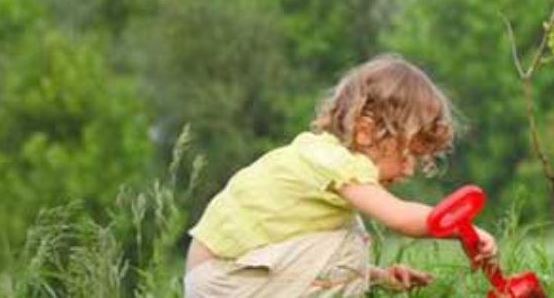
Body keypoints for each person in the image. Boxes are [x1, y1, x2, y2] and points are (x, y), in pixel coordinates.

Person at [183, 54, 497, 296]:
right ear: (365, 131)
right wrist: (461, 230)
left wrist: (378, 276)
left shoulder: (321, 156)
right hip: (225, 281)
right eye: (407, 154)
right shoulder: (338, 162)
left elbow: (295, 250)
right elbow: (400, 217)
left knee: (346, 234)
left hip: (222, 278)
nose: (409, 169)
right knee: (348, 245)